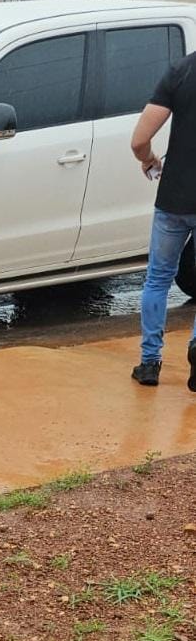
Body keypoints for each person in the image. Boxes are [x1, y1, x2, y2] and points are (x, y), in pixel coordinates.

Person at [131, 49, 196, 391]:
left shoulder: (180, 71)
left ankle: (149, 362)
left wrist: (151, 160)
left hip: (173, 198)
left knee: (158, 279)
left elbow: (139, 140)